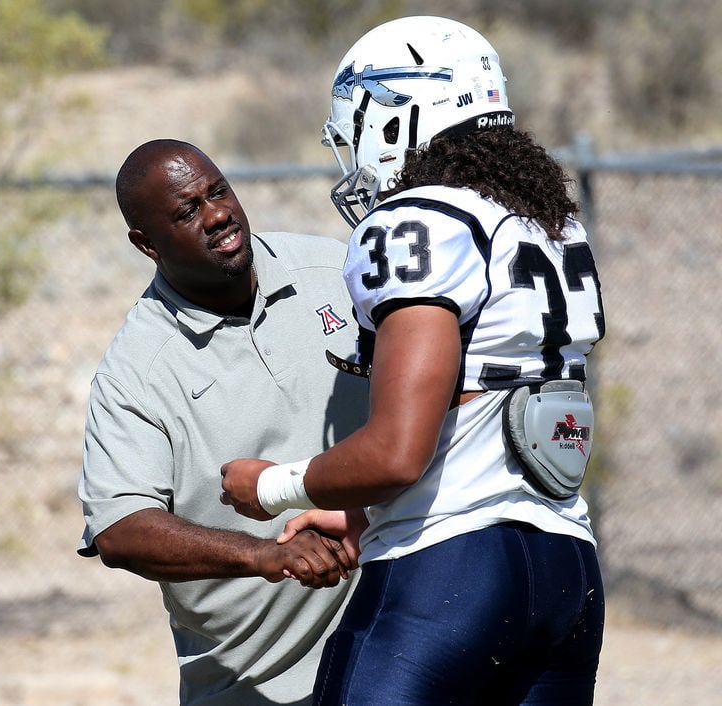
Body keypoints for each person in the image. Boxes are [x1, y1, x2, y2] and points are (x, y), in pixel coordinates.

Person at [221, 16, 607, 705]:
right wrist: (357, 513)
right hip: (566, 574)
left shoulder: (416, 222)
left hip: (448, 580)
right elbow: (487, 416)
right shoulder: (547, 223)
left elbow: (400, 451)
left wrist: (276, 486)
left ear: (400, 114)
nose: (355, 153)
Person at [77, 139, 371, 705]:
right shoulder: (137, 368)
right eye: (187, 212)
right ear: (146, 243)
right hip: (257, 683)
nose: (216, 215)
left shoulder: (336, 270)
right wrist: (263, 555)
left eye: (219, 192)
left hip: (398, 638)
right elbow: (120, 529)